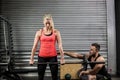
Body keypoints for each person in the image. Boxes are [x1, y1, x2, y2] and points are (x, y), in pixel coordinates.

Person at [29, 14, 65, 80]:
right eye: (46, 22)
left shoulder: (56, 32)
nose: (48, 24)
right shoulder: (39, 32)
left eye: (49, 22)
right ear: (43, 22)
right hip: (42, 57)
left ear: (52, 22)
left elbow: (60, 46)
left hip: (53, 57)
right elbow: (35, 46)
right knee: (40, 77)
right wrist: (31, 59)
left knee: (54, 77)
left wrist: (62, 58)